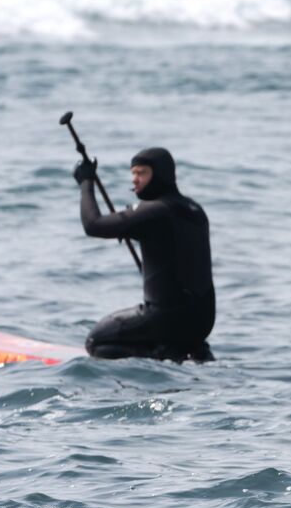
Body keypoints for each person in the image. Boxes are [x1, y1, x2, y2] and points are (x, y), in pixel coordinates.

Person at [75, 147, 215, 362]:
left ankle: (162, 353)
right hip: (201, 323)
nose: (135, 180)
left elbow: (93, 225)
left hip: (167, 319)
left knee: (96, 342)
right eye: (133, 173)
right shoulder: (194, 210)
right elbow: (171, 245)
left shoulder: (155, 210)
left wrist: (86, 183)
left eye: (142, 173)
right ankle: (189, 349)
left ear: (160, 174)